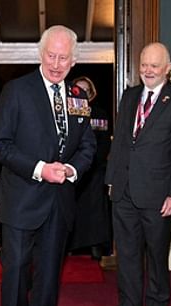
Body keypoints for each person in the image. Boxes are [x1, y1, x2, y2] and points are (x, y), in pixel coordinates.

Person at [0, 25, 96, 306]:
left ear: (74, 59)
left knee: (50, 276)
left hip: (60, 204)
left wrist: (69, 169)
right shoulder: (16, 91)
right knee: (16, 278)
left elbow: (87, 146)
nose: (56, 63)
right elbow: (0, 145)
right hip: (21, 202)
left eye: (64, 57)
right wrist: (39, 169)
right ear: (40, 54)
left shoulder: (79, 96)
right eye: (51, 55)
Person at [103, 42, 171, 306]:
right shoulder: (129, 96)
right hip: (124, 191)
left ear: (168, 68)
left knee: (156, 253)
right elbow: (120, 142)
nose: (148, 71)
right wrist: (111, 179)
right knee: (127, 253)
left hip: (158, 195)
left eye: (154, 65)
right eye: (144, 64)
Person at [67, 76, 113, 260]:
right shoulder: (65, 114)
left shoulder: (99, 114)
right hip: (71, 172)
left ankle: (95, 246)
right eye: (78, 89)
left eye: (86, 89)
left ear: (92, 93)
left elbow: (104, 144)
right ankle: (70, 247)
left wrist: (91, 164)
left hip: (94, 171)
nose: (82, 92)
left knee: (95, 212)